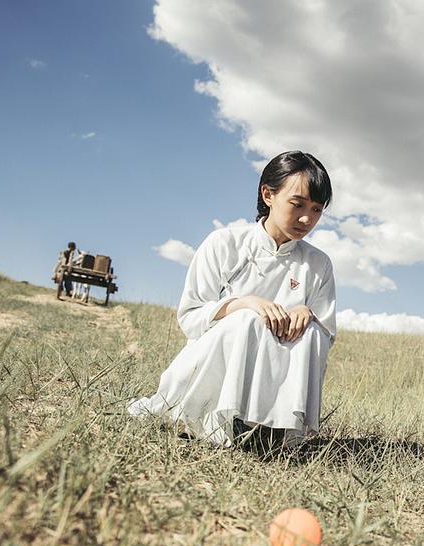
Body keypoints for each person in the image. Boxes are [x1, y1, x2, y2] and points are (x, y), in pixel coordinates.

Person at [128, 151, 336, 449]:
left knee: (313, 331)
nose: (306, 218)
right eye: (297, 204)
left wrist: (309, 314)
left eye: (316, 209)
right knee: (249, 318)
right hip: (210, 366)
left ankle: (277, 429)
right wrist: (242, 303)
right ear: (268, 194)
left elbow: (326, 336)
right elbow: (190, 319)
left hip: (277, 372)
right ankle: (221, 418)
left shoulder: (318, 264)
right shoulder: (224, 244)